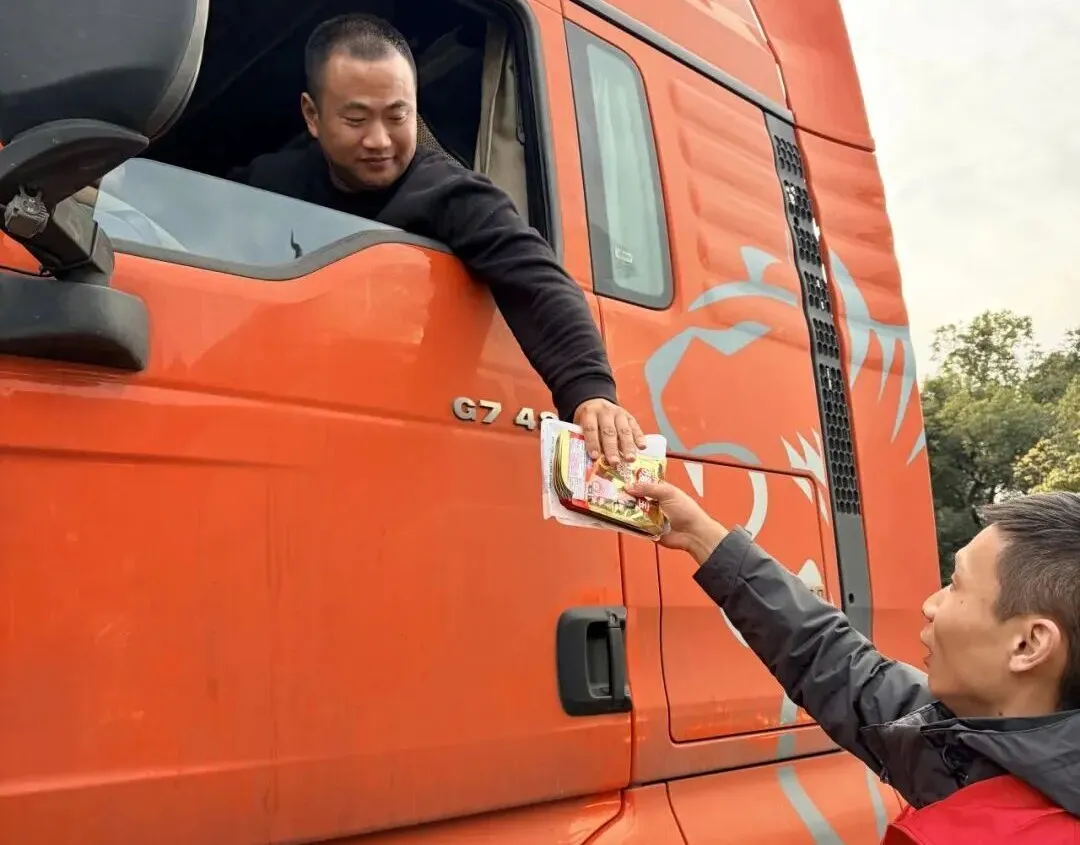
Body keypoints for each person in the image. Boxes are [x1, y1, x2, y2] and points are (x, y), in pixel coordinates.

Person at [229, 13, 643, 465]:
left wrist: (589, 389)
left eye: (397, 116)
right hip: (274, 400)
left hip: (392, 424)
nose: (379, 140)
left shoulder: (449, 193)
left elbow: (533, 273)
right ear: (312, 115)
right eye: (356, 119)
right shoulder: (266, 183)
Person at [624, 478, 1080, 843]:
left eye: (956, 585)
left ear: (1028, 645)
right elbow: (834, 661)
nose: (931, 604)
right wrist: (701, 535)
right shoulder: (967, 737)